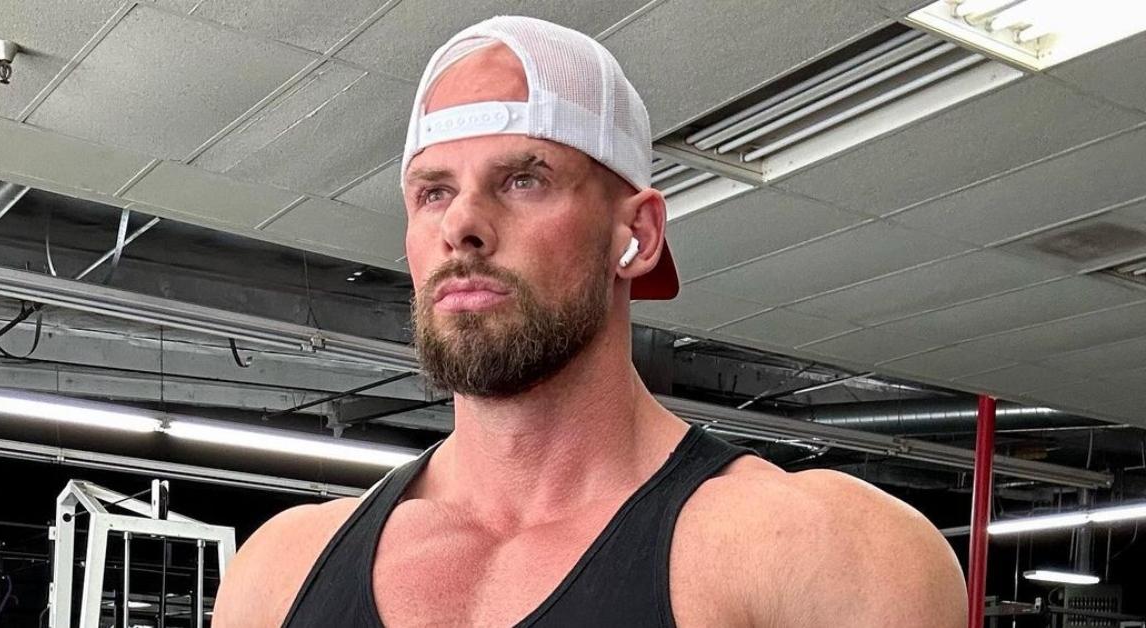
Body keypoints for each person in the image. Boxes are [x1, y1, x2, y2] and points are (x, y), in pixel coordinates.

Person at [213, 15, 966, 628]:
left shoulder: (819, 553)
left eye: (523, 179)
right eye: (433, 192)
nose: (464, 224)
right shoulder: (277, 575)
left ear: (635, 235)